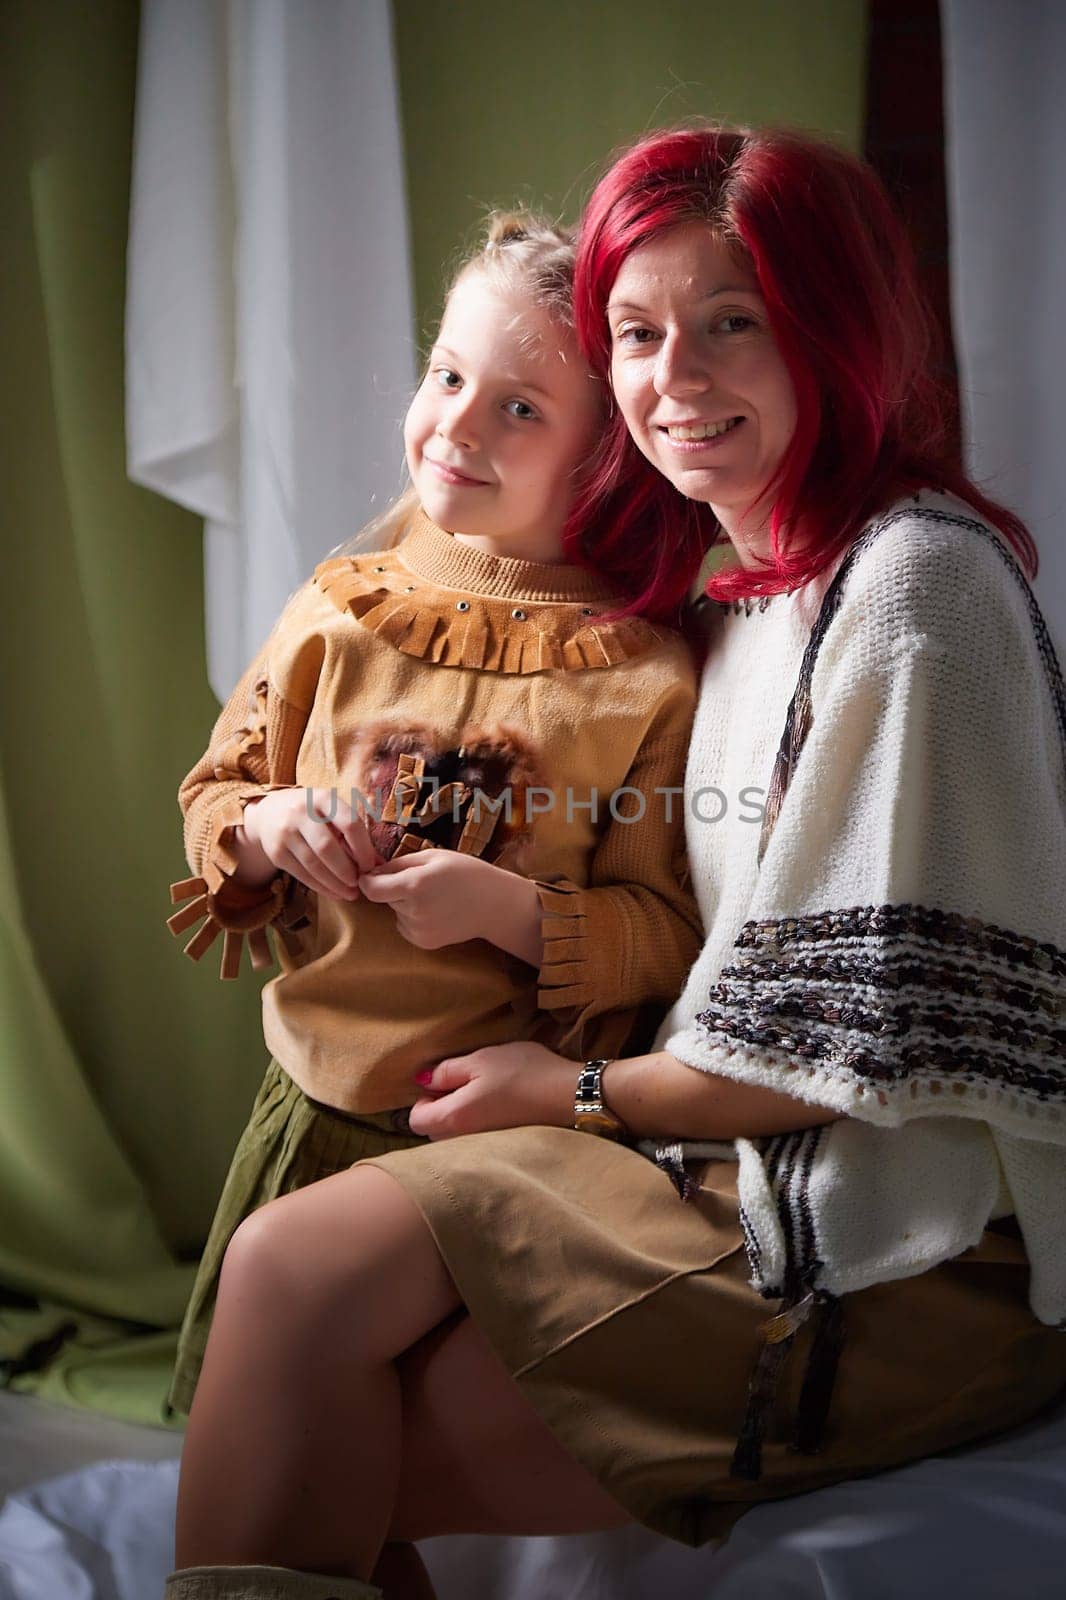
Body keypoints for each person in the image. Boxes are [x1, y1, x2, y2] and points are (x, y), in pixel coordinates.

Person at [165, 128, 1066, 1600]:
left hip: (895, 1239)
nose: (674, 381)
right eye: (638, 335)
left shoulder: (909, 594)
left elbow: (850, 1054)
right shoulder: (747, 592)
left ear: (837, 330)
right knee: (294, 1304)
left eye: (732, 325)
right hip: (704, 1148)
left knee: (325, 1395)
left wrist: (571, 1089)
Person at [164, 212, 703, 1417]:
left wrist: (512, 912)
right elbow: (220, 792)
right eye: (447, 374)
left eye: (519, 407)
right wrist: (273, 825)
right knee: (278, 1442)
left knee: (392, 1457)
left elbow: (667, 928)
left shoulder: (643, 680)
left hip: (494, 1153)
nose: (455, 421)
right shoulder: (342, 606)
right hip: (310, 1108)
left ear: (606, 453)